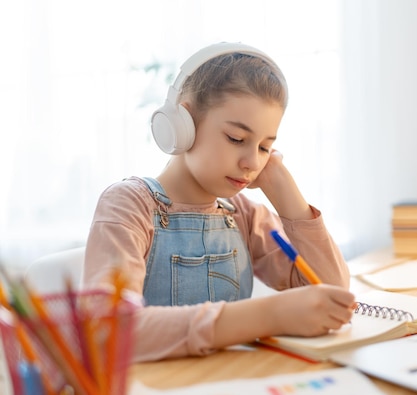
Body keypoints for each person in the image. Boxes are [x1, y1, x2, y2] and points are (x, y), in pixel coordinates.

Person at [83, 42, 354, 362]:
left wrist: (285, 193)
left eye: (265, 147)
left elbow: (332, 292)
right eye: (236, 139)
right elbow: (108, 333)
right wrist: (266, 315)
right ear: (182, 125)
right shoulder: (129, 206)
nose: (252, 162)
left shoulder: (243, 214)